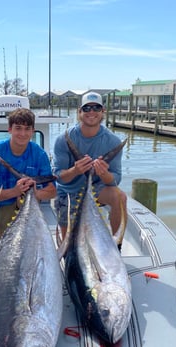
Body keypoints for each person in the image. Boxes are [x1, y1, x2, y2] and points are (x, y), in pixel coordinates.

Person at [53, 91, 127, 248]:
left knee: (120, 197)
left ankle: (115, 248)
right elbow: (58, 177)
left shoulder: (112, 141)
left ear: (103, 112)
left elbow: (116, 179)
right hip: (68, 191)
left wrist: (104, 174)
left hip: (97, 189)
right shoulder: (63, 139)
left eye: (96, 108)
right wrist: (75, 170)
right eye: (87, 108)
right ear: (79, 112)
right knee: (68, 248)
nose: (91, 112)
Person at [0, 108, 56, 235]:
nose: (23, 133)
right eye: (18, 128)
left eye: (27, 129)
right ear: (9, 129)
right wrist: (15, 191)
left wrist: (34, 192)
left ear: (33, 131)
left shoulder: (40, 154)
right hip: (3, 208)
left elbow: (52, 191)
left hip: (32, 208)